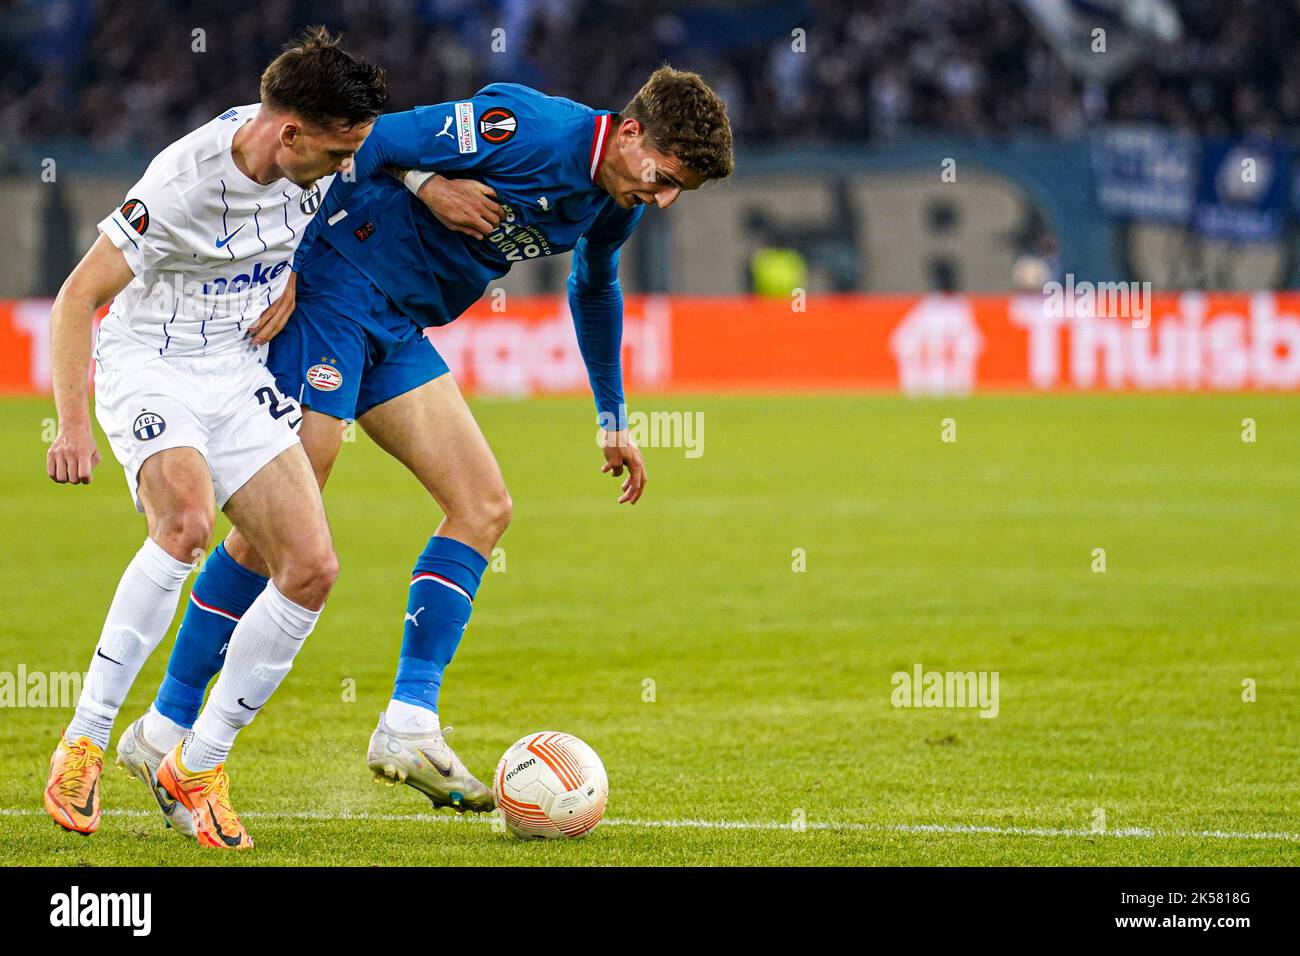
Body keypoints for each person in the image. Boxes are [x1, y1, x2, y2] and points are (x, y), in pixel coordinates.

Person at [126, 66, 734, 815]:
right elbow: (366, 139)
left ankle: (408, 725)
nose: (663, 198)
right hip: (335, 291)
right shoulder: (533, 129)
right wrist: (425, 187)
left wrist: (612, 415)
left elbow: (594, 284)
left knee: (482, 505)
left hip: (398, 325)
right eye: (665, 177)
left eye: (680, 191)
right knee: (283, 523)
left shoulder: (617, 199)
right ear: (632, 132)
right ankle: (166, 726)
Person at [43, 27, 386, 849]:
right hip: (150, 363)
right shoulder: (181, 183)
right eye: (337, 153)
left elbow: (302, 219)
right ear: (288, 133)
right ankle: (84, 740)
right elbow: (72, 299)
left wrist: (292, 276)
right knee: (188, 524)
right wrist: (72, 423)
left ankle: (197, 764)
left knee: (310, 569)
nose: (346, 169)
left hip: (235, 368)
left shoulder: (314, 155)